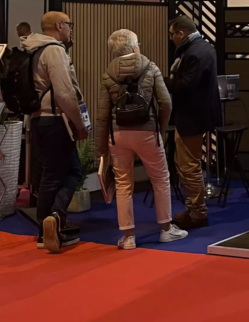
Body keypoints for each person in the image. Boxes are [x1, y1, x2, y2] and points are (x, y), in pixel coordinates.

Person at [94, 29, 188, 250]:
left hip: (118, 135)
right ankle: (166, 229)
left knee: (123, 184)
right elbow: (166, 103)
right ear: (135, 46)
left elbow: (102, 115)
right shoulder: (150, 67)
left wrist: (101, 149)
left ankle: (128, 237)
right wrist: (159, 130)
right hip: (147, 132)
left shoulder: (108, 74)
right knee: (160, 179)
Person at [23, 11, 89, 253]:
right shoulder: (54, 51)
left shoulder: (32, 49)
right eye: (69, 24)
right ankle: (51, 222)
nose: (71, 29)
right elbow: (64, 93)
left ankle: (52, 222)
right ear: (59, 25)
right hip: (56, 121)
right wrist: (79, 124)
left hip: (38, 120)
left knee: (61, 172)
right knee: (64, 174)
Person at [165, 16, 222, 229]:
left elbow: (186, 85)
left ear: (181, 34)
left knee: (188, 166)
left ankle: (197, 212)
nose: (171, 39)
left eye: (172, 34)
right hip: (197, 115)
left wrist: (162, 81)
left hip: (191, 117)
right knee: (186, 164)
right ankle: (193, 208)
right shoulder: (203, 47)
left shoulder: (194, 53)